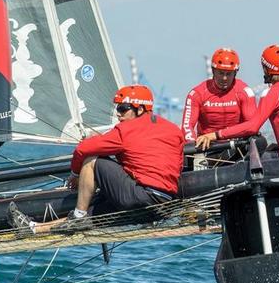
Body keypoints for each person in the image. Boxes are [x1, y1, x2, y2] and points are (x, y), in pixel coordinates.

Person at [10, 85, 184, 233]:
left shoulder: (126, 130)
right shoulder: (173, 129)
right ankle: (35, 228)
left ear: (140, 109)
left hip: (139, 196)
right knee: (92, 215)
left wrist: (76, 175)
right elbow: (176, 164)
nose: (118, 114)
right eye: (117, 108)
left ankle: (79, 216)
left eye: (123, 109)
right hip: (163, 205)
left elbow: (82, 149)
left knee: (92, 160)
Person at [195, 44, 279, 158]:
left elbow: (253, 127)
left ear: (267, 69)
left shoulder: (273, 92)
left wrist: (215, 135)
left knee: (251, 155)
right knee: (268, 147)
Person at [180, 48, 260, 167]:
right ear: (213, 71)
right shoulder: (197, 93)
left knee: (260, 141)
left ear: (235, 73)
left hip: (235, 148)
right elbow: (187, 126)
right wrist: (194, 147)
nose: (224, 78)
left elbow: (252, 125)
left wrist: (218, 135)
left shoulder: (244, 92)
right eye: (221, 73)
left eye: (229, 74)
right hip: (206, 149)